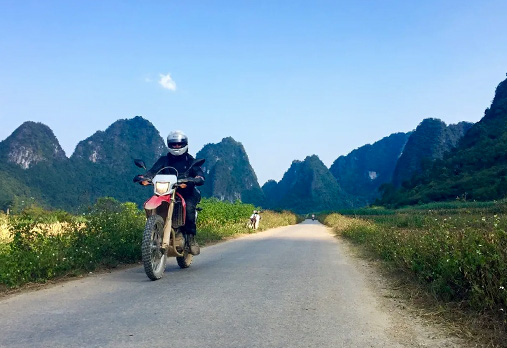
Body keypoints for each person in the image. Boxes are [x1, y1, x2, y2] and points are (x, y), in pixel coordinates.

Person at [135, 130, 205, 255]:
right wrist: (144, 177)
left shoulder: (190, 161)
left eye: (179, 144)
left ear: (184, 144)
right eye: (174, 144)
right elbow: (152, 171)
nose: (176, 146)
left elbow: (199, 174)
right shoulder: (164, 160)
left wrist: (195, 179)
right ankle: (156, 230)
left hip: (187, 192)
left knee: (189, 207)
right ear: (169, 145)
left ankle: (191, 238)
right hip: (167, 191)